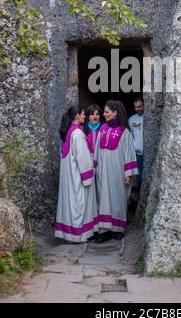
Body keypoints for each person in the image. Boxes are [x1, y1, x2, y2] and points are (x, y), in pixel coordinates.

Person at [93, 100, 138, 243]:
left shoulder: (124, 131)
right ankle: (104, 230)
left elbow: (129, 153)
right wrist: (95, 168)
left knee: (118, 197)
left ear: (115, 113)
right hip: (103, 171)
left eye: (106, 112)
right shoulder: (102, 129)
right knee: (103, 198)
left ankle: (118, 228)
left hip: (118, 172)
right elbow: (96, 151)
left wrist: (128, 174)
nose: (104, 114)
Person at [55, 106, 98, 243]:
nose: (85, 117)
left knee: (70, 205)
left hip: (69, 176)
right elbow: (83, 158)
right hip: (77, 177)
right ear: (76, 116)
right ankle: (79, 235)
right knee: (79, 205)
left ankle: (69, 234)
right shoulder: (78, 134)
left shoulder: (67, 132)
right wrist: (88, 176)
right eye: (83, 114)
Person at [129, 97, 144, 198]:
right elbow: (130, 135)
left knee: (144, 178)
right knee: (137, 179)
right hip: (137, 153)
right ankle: (135, 201)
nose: (138, 109)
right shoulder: (131, 119)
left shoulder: (148, 117)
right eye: (136, 107)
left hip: (147, 153)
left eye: (139, 106)